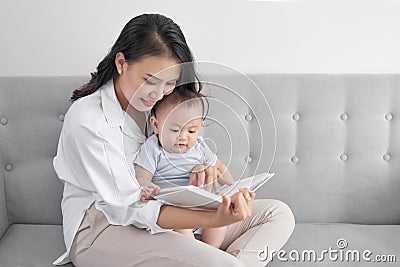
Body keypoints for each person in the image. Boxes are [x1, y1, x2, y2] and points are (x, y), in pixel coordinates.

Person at [53, 13, 295, 267]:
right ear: (122, 63)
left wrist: (200, 170)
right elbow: (128, 207)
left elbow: (180, 151)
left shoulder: (162, 104)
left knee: (277, 214)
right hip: (103, 226)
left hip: (170, 210)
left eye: (169, 83)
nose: (158, 94)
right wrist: (212, 220)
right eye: (150, 81)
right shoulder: (89, 120)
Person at [134, 89, 234, 248]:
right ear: (156, 125)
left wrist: (233, 187)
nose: (183, 136)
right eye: (174, 130)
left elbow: (220, 167)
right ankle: (199, 253)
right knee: (181, 228)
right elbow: (141, 176)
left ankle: (212, 250)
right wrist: (146, 188)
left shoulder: (199, 147)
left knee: (222, 216)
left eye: (191, 130)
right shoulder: (153, 148)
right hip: (175, 212)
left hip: (203, 208)